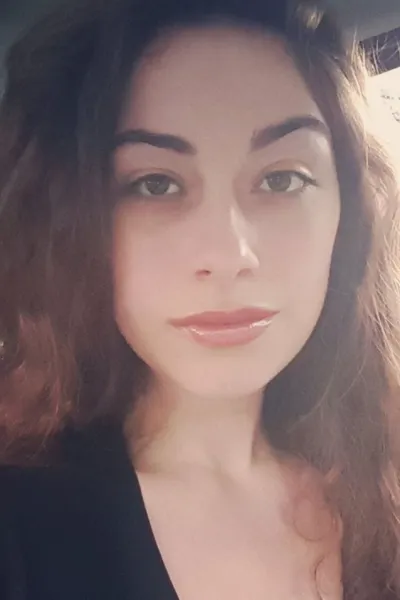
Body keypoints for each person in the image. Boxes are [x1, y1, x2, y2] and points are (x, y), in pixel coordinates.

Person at [0, 0, 399, 597]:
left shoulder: (384, 477)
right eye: (154, 184)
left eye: (282, 178)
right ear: (69, 226)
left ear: (349, 214)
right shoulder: (19, 526)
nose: (231, 253)